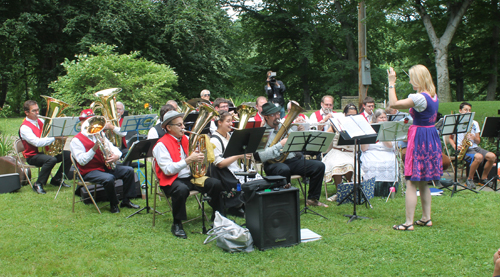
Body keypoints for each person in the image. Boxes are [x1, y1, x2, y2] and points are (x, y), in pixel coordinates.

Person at [152, 111, 224, 239]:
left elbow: (192, 159)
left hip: (190, 177)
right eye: (179, 125)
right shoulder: (161, 145)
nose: (183, 127)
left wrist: (199, 158)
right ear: (169, 127)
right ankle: (177, 223)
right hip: (172, 180)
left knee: (215, 183)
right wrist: (188, 160)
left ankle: (217, 215)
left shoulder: (185, 139)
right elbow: (168, 170)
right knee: (181, 189)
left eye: (183, 124)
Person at [388, 65, 443, 231]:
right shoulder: (433, 96)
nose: (411, 80)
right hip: (430, 136)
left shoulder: (419, 98)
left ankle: (408, 223)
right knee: (424, 181)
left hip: (420, 138)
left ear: (418, 79)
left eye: (412, 77)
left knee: (411, 180)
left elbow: (394, 104)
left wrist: (391, 83)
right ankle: (426, 218)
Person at [257, 103, 328, 207]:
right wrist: (279, 145)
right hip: (272, 164)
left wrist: (301, 136)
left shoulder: (284, 127)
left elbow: (296, 144)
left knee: (319, 166)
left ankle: (313, 199)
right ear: (266, 117)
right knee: (284, 169)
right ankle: (287, 201)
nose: (277, 117)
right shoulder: (263, 133)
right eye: (273, 115)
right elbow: (261, 156)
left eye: (277, 113)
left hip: (291, 160)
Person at [70, 109, 140, 213]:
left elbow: (113, 147)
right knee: (109, 178)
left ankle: (126, 200)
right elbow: (82, 161)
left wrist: (117, 156)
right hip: (89, 171)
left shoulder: (99, 134)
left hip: (104, 167)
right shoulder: (76, 140)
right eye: (88, 121)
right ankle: (114, 204)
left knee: (129, 170)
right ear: (82, 122)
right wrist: (94, 148)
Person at [209, 111, 262, 217]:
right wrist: (239, 156)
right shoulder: (214, 140)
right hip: (224, 172)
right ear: (219, 122)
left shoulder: (229, 135)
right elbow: (220, 164)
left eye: (232, 121)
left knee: (257, 179)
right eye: (228, 121)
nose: (231, 124)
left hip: (235, 167)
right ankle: (236, 206)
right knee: (242, 184)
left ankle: (248, 203)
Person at [19, 100, 72, 194]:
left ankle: (57, 179)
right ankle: (38, 184)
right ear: (26, 113)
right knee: (51, 160)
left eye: (37, 110)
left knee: (68, 155)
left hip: (45, 152)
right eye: (34, 111)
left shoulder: (41, 121)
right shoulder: (25, 128)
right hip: (32, 156)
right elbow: (37, 143)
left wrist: (62, 133)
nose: (37, 113)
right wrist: (55, 137)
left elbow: (52, 131)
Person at [448, 102, 497, 189]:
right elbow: (450, 138)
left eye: (469, 110)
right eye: (465, 110)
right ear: (460, 111)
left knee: (492, 156)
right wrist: (455, 146)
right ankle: (469, 179)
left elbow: (478, 141)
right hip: (463, 149)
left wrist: (474, 138)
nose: (468, 111)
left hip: (475, 147)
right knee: (478, 157)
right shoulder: (456, 123)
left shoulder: (474, 123)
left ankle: (483, 178)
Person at [322, 103, 358, 202]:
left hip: (350, 152)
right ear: (344, 115)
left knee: (350, 164)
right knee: (336, 164)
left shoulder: (358, 125)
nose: (351, 117)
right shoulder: (336, 123)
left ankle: (350, 191)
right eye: (349, 115)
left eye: (354, 115)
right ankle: (340, 192)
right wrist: (333, 127)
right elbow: (326, 136)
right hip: (336, 152)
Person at [360, 109, 398, 197]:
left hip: (387, 152)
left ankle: (388, 190)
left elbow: (389, 146)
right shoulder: (369, 128)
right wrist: (368, 133)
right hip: (371, 152)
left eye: (385, 117)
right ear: (375, 119)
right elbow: (364, 148)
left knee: (389, 161)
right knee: (369, 161)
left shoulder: (390, 129)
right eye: (381, 117)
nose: (384, 119)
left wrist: (382, 132)